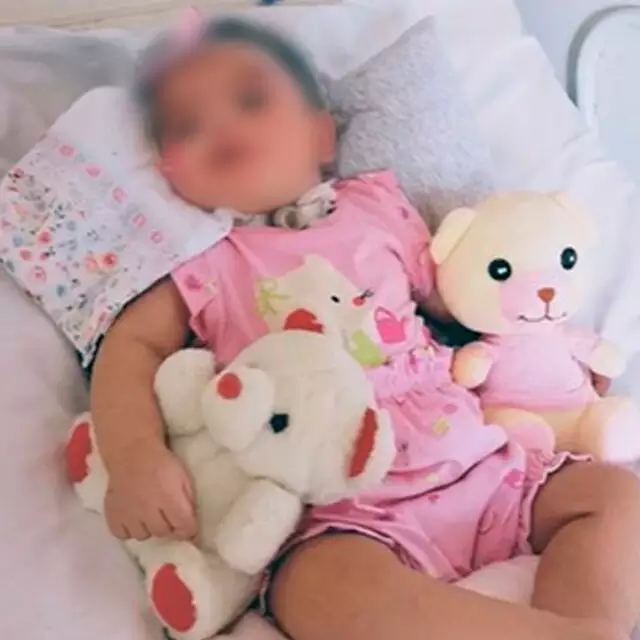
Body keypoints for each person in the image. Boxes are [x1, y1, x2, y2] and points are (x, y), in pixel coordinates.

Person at [90, 15, 640, 640]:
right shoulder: (203, 262)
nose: (222, 127)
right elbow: (131, 347)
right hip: (344, 508)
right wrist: (134, 456)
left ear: (320, 133)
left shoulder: (376, 208)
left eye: (250, 100)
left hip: (476, 460)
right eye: (188, 125)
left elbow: (466, 302)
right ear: (168, 172)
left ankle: (584, 625)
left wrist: (551, 357)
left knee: (614, 498)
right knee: (323, 590)